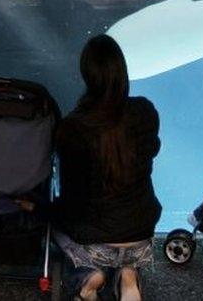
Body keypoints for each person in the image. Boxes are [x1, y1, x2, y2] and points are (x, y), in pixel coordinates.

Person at [53, 34, 161, 301]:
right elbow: (151, 151)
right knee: (125, 240)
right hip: (141, 232)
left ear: (86, 75)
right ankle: (128, 275)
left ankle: (89, 274)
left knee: (54, 223)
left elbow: (71, 195)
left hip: (94, 240)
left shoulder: (73, 126)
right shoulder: (145, 111)